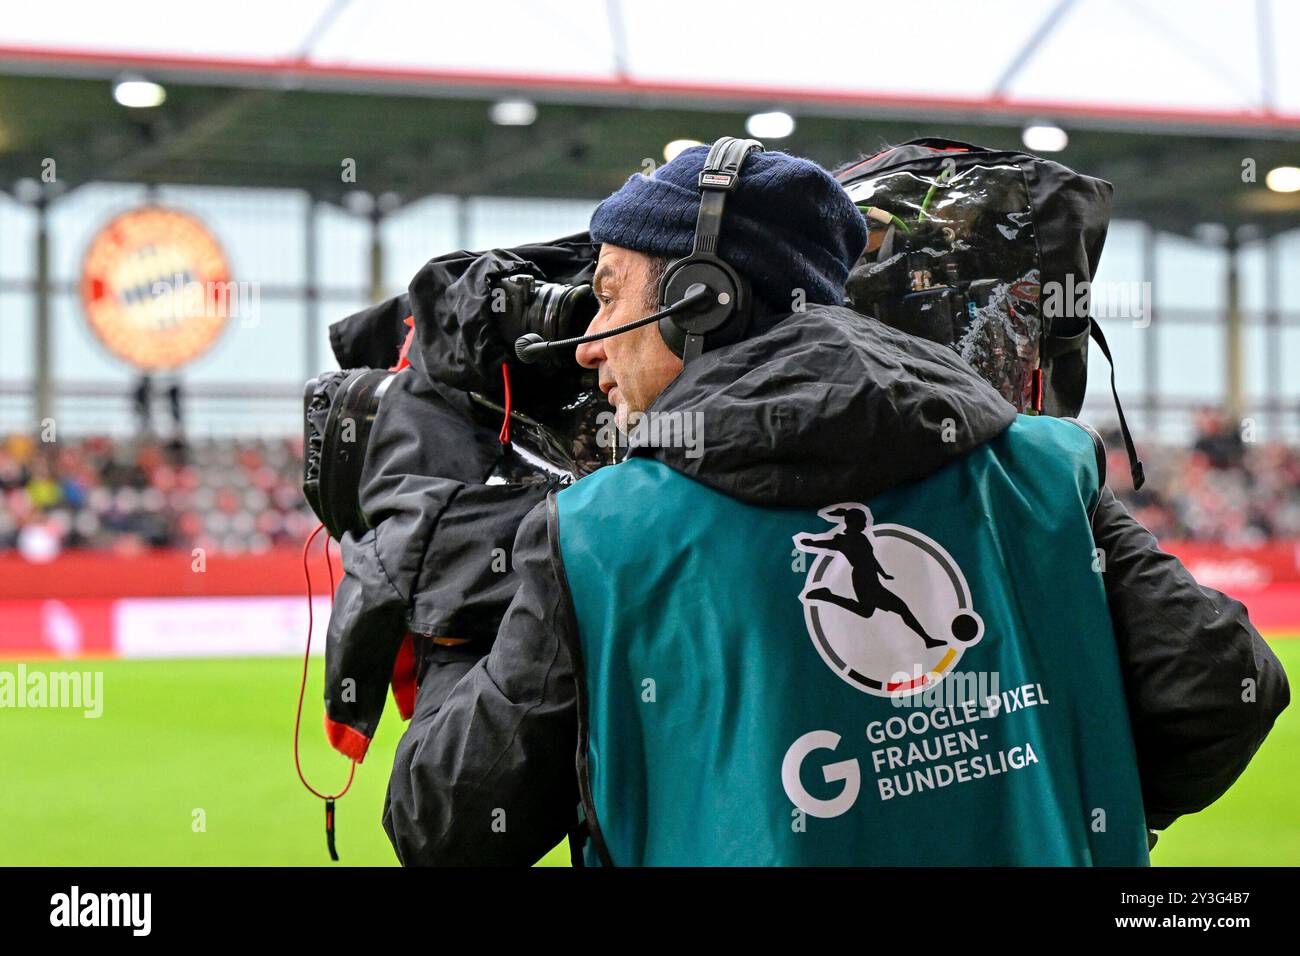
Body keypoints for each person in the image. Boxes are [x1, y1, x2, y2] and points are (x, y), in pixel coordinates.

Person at [382, 142, 1289, 866]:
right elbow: (1224, 689)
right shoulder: (1044, 466)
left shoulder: (598, 536)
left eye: (609, 293)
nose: (584, 345)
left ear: (702, 301)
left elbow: (446, 829)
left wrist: (444, 604)